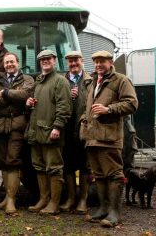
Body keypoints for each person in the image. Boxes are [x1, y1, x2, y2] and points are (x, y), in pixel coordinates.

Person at [80, 50, 138, 227]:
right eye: (96, 62)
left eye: (102, 61)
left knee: (113, 174)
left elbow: (132, 103)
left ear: (110, 62)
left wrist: (109, 109)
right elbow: (88, 107)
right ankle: (103, 208)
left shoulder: (121, 80)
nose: (98, 65)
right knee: (99, 175)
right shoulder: (93, 83)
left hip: (109, 137)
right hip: (92, 137)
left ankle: (114, 212)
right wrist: (84, 117)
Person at [26, 49, 71, 215]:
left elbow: (64, 107)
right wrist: (29, 103)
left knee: (54, 168)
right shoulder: (39, 82)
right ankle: (43, 199)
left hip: (51, 133)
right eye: (42, 59)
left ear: (54, 60)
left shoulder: (60, 81)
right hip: (37, 132)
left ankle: (54, 203)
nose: (45, 61)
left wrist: (57, 127)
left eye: (48, 58)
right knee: (39, 167)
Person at [0, 52, 34, 214]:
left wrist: (5, 93)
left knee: (13, 161)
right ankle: (7, 197)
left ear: (17, 63)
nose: (9, 65)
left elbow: (26, 94)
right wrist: (13, 96)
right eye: (6, 62)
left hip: (17, 125)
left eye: (11, 62)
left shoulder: (27, 79)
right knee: (4, 162)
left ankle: (11, 201)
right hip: (0, 126)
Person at [59, 51, 92, 214]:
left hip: (84, 128)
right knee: (68, 164)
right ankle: (71, 198)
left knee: (86, 165)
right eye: (70, 61)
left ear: (82, 61)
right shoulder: (61, 81)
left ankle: (83, 200)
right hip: (66, 128)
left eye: (76, 61)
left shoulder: (90, 81)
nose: (73, 64)